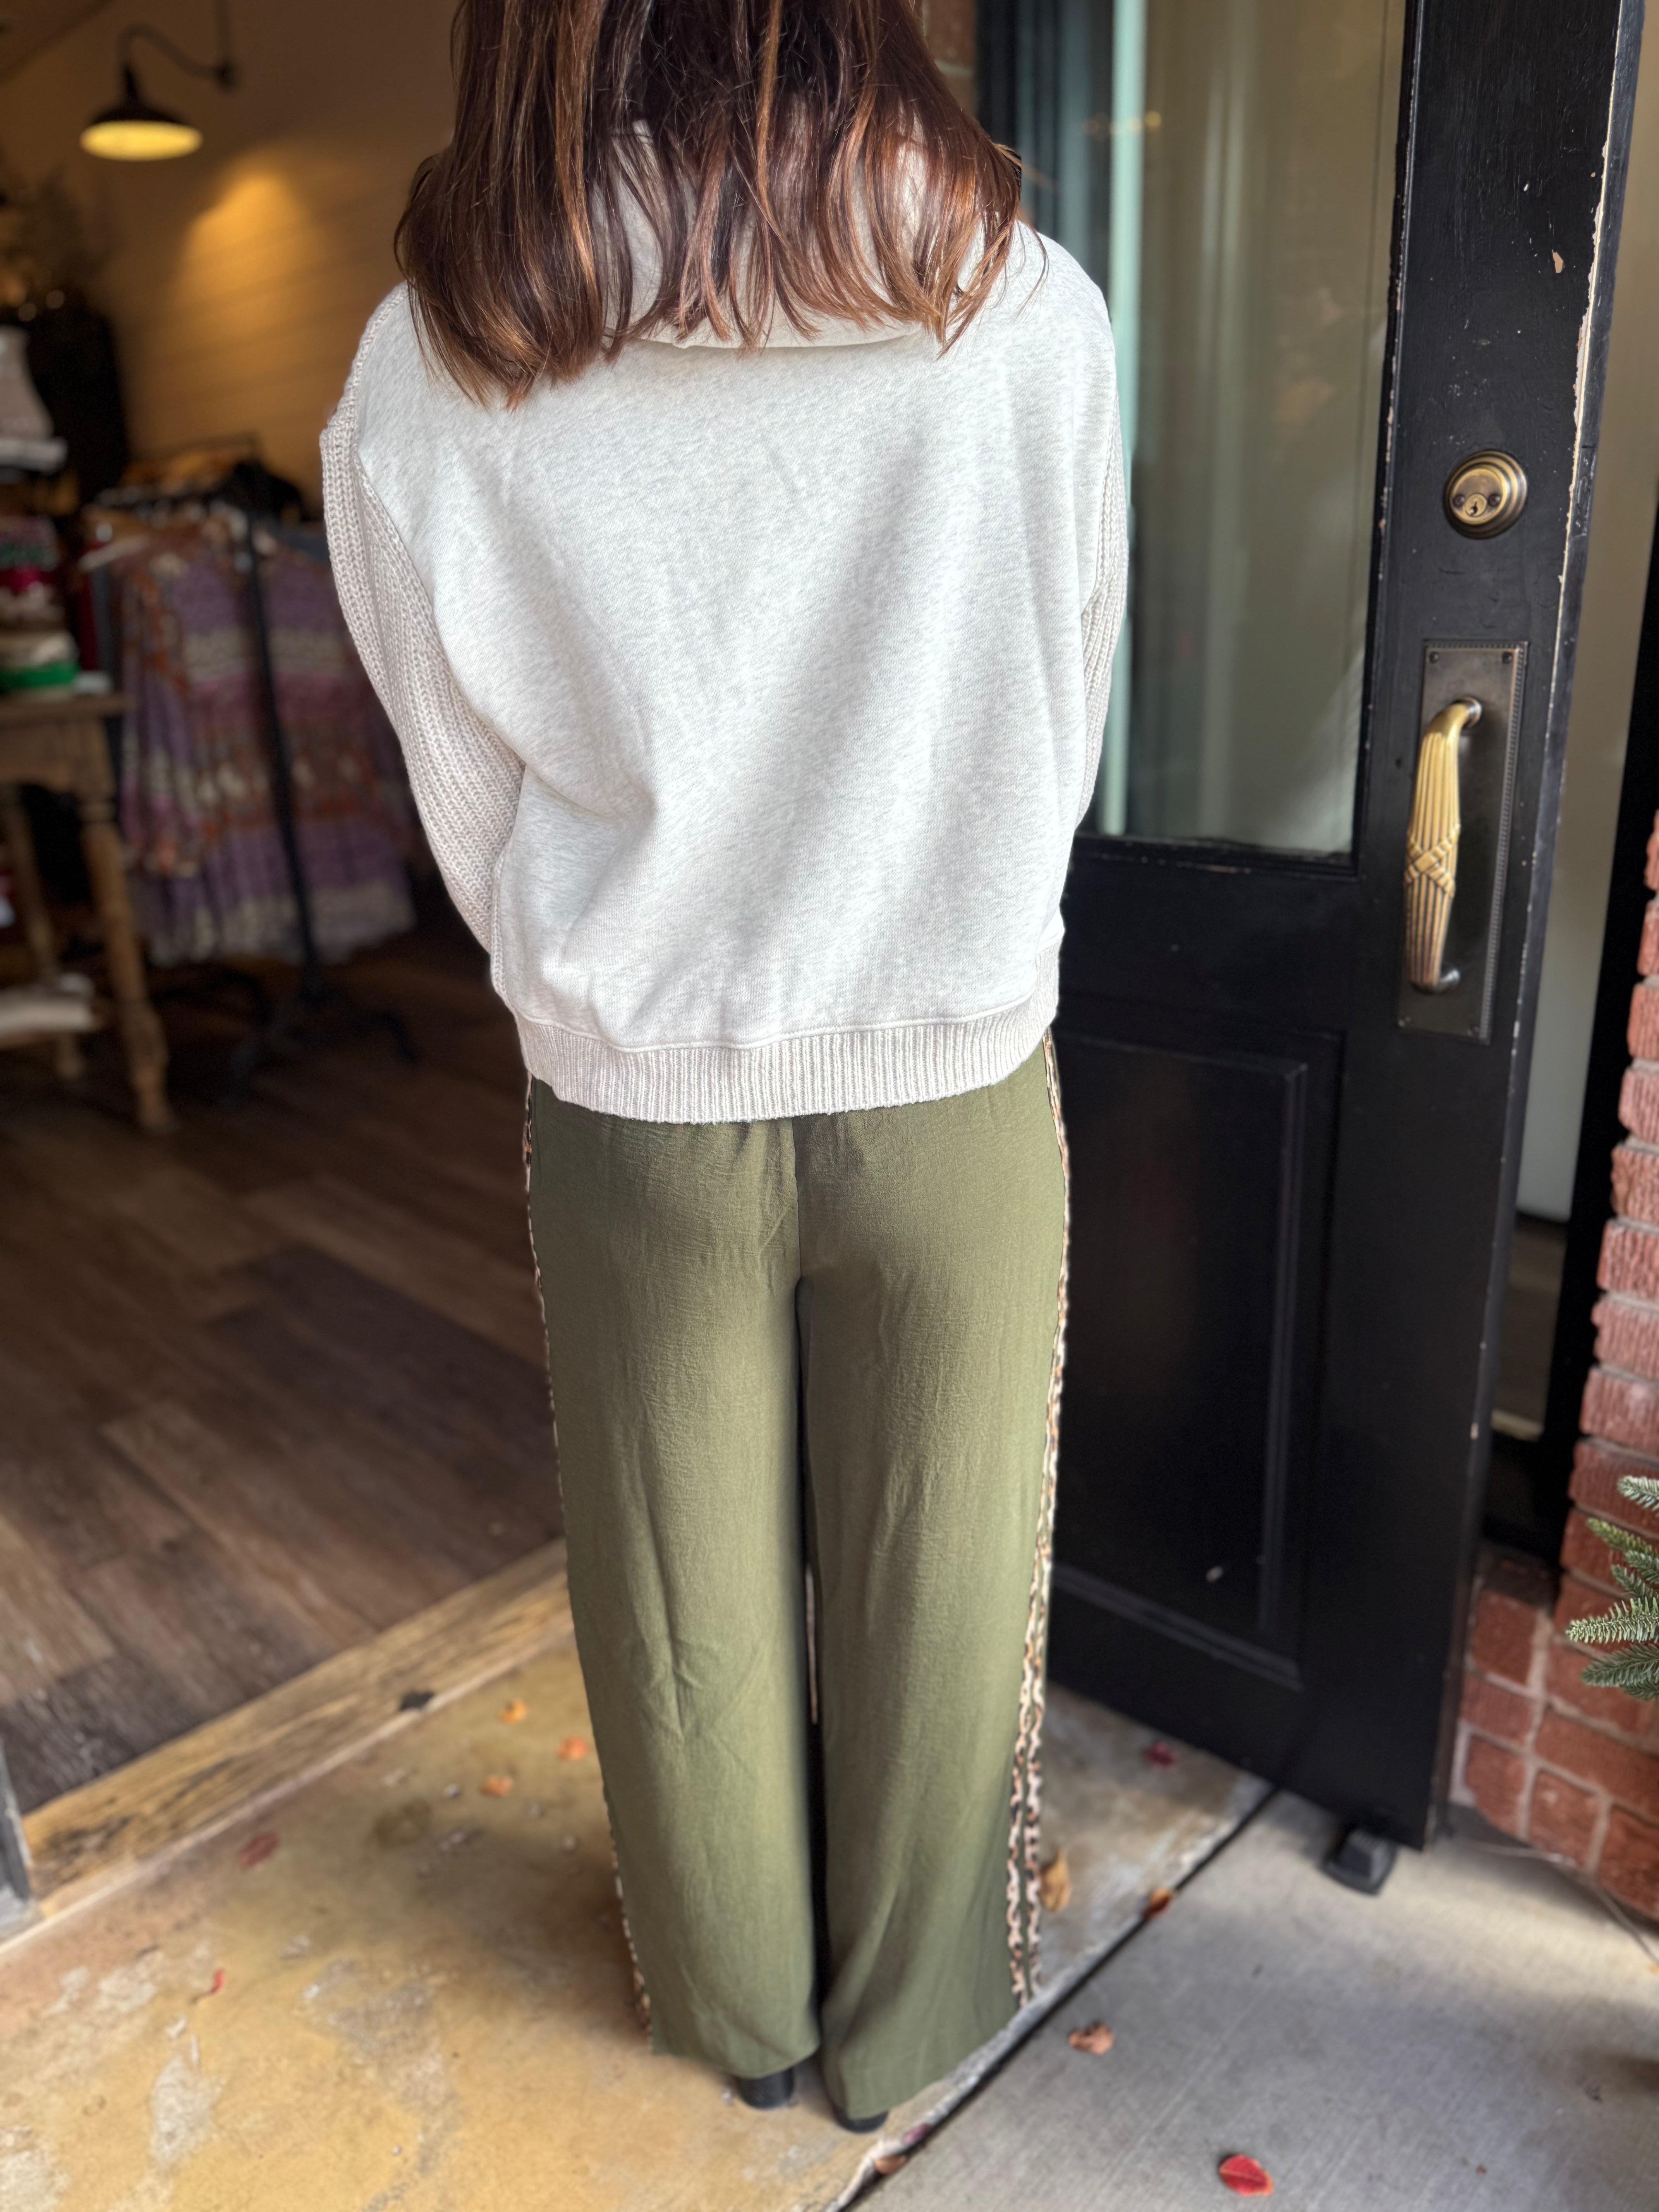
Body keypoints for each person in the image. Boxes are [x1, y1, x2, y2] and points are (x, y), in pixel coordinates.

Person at [323, 0, 1125, 2135]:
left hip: (634, 1107)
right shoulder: (1022, 308)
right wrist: (942, 927)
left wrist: (599, 983)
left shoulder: (433, 363)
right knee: (951, 1580)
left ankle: (737, 2011)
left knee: (671, 1587)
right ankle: (908, 2028)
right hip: (957, 1084)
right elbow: (1065, 699)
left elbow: (462, 781)